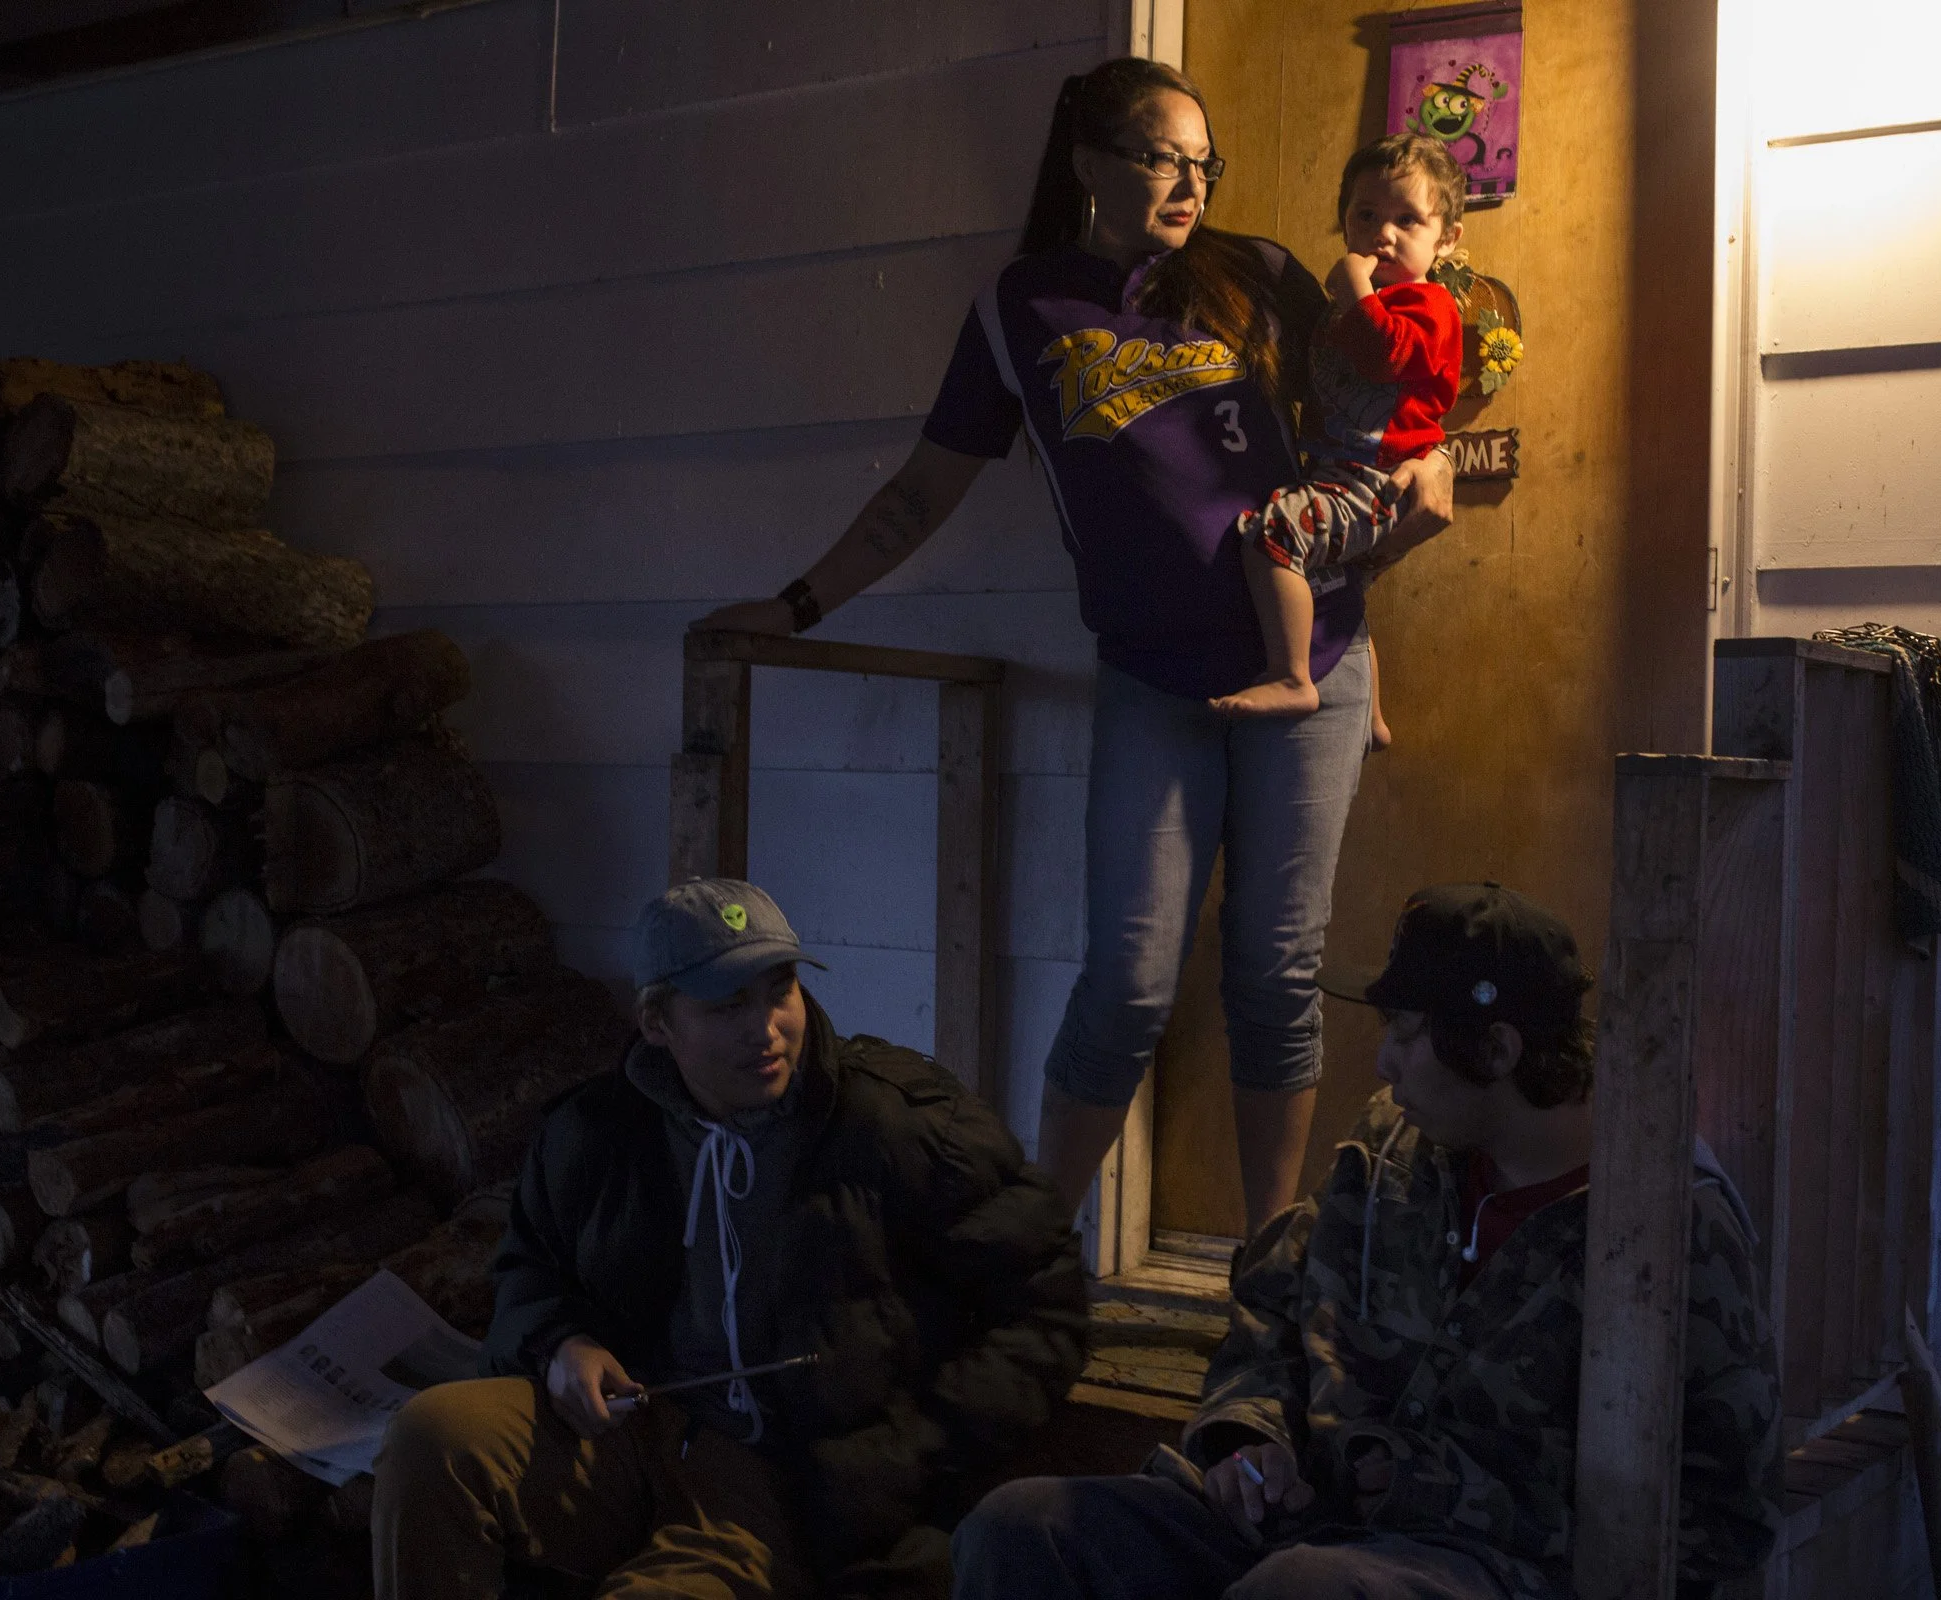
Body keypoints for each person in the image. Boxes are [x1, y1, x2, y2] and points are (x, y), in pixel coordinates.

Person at [699, 57, 1459, 1238]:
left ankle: (1266, 1258)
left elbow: (1358, 437)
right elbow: (921, 493)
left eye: (1205, 162)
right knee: (1128, 981)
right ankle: (1042, 1246)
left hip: (1312, 661)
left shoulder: (1258, 274)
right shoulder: (1022, 307)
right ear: (1091, 159)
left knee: (1276, 975)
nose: (1191, 182)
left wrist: (1420, 507)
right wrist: (797, 604)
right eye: (1164, 155)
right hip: (1155, 678)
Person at [951, 883, 1782, 1600]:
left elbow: (1718, 1522)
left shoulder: (1665, 1228)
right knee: (1022, 1529)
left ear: (1498, 1048)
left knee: (1303, 1591)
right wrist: (1251, 1439)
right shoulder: (1392, 1145)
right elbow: (1275, 1308)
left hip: (1494, 1568)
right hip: (1308, 1523)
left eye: (1409, 1033)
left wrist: (1438, 1492)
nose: (1384, 1063)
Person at [370, 879, 1089, 1600]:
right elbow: (528, 1272)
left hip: (783, 1480)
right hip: (641, 1431)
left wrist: (916, 1444)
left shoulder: (896, 1127)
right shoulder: (598, 1130)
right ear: (658, 1023)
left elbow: (1045, 1304)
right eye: (727, 1006)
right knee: (432, 1435)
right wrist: (562, 1344)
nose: (767, 1028)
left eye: (780, 992)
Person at [1209, 133, 1467, 749]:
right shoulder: (1346, 308)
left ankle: (1293, 676)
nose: (1384, 233)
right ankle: (1372, 719)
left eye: (1409, 220)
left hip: (1373, 479)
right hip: (1335, 470)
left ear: (1447, 238)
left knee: (1272, 535)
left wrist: (1356, 291)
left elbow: (1384, 358)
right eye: (1366, 215)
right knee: (1346, 590)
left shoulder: (1429, 305)